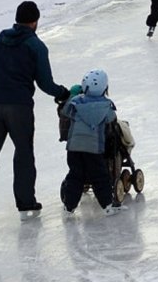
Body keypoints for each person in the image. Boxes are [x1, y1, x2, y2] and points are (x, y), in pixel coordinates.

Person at [0, 1, 70, 226]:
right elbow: (45, 83)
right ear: (34, 21)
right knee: (23, 153)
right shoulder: (35, 46)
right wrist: (63, 93)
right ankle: (25, 203)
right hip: (19, 108)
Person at [60, 69, 125, 217]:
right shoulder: (106, 106)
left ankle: (69, 208)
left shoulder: (75, 103)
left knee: (75, 176)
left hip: (74, 148)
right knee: (99, 176)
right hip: (94, 149)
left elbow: (65, 112)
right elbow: (111, 119)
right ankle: (107, 206)